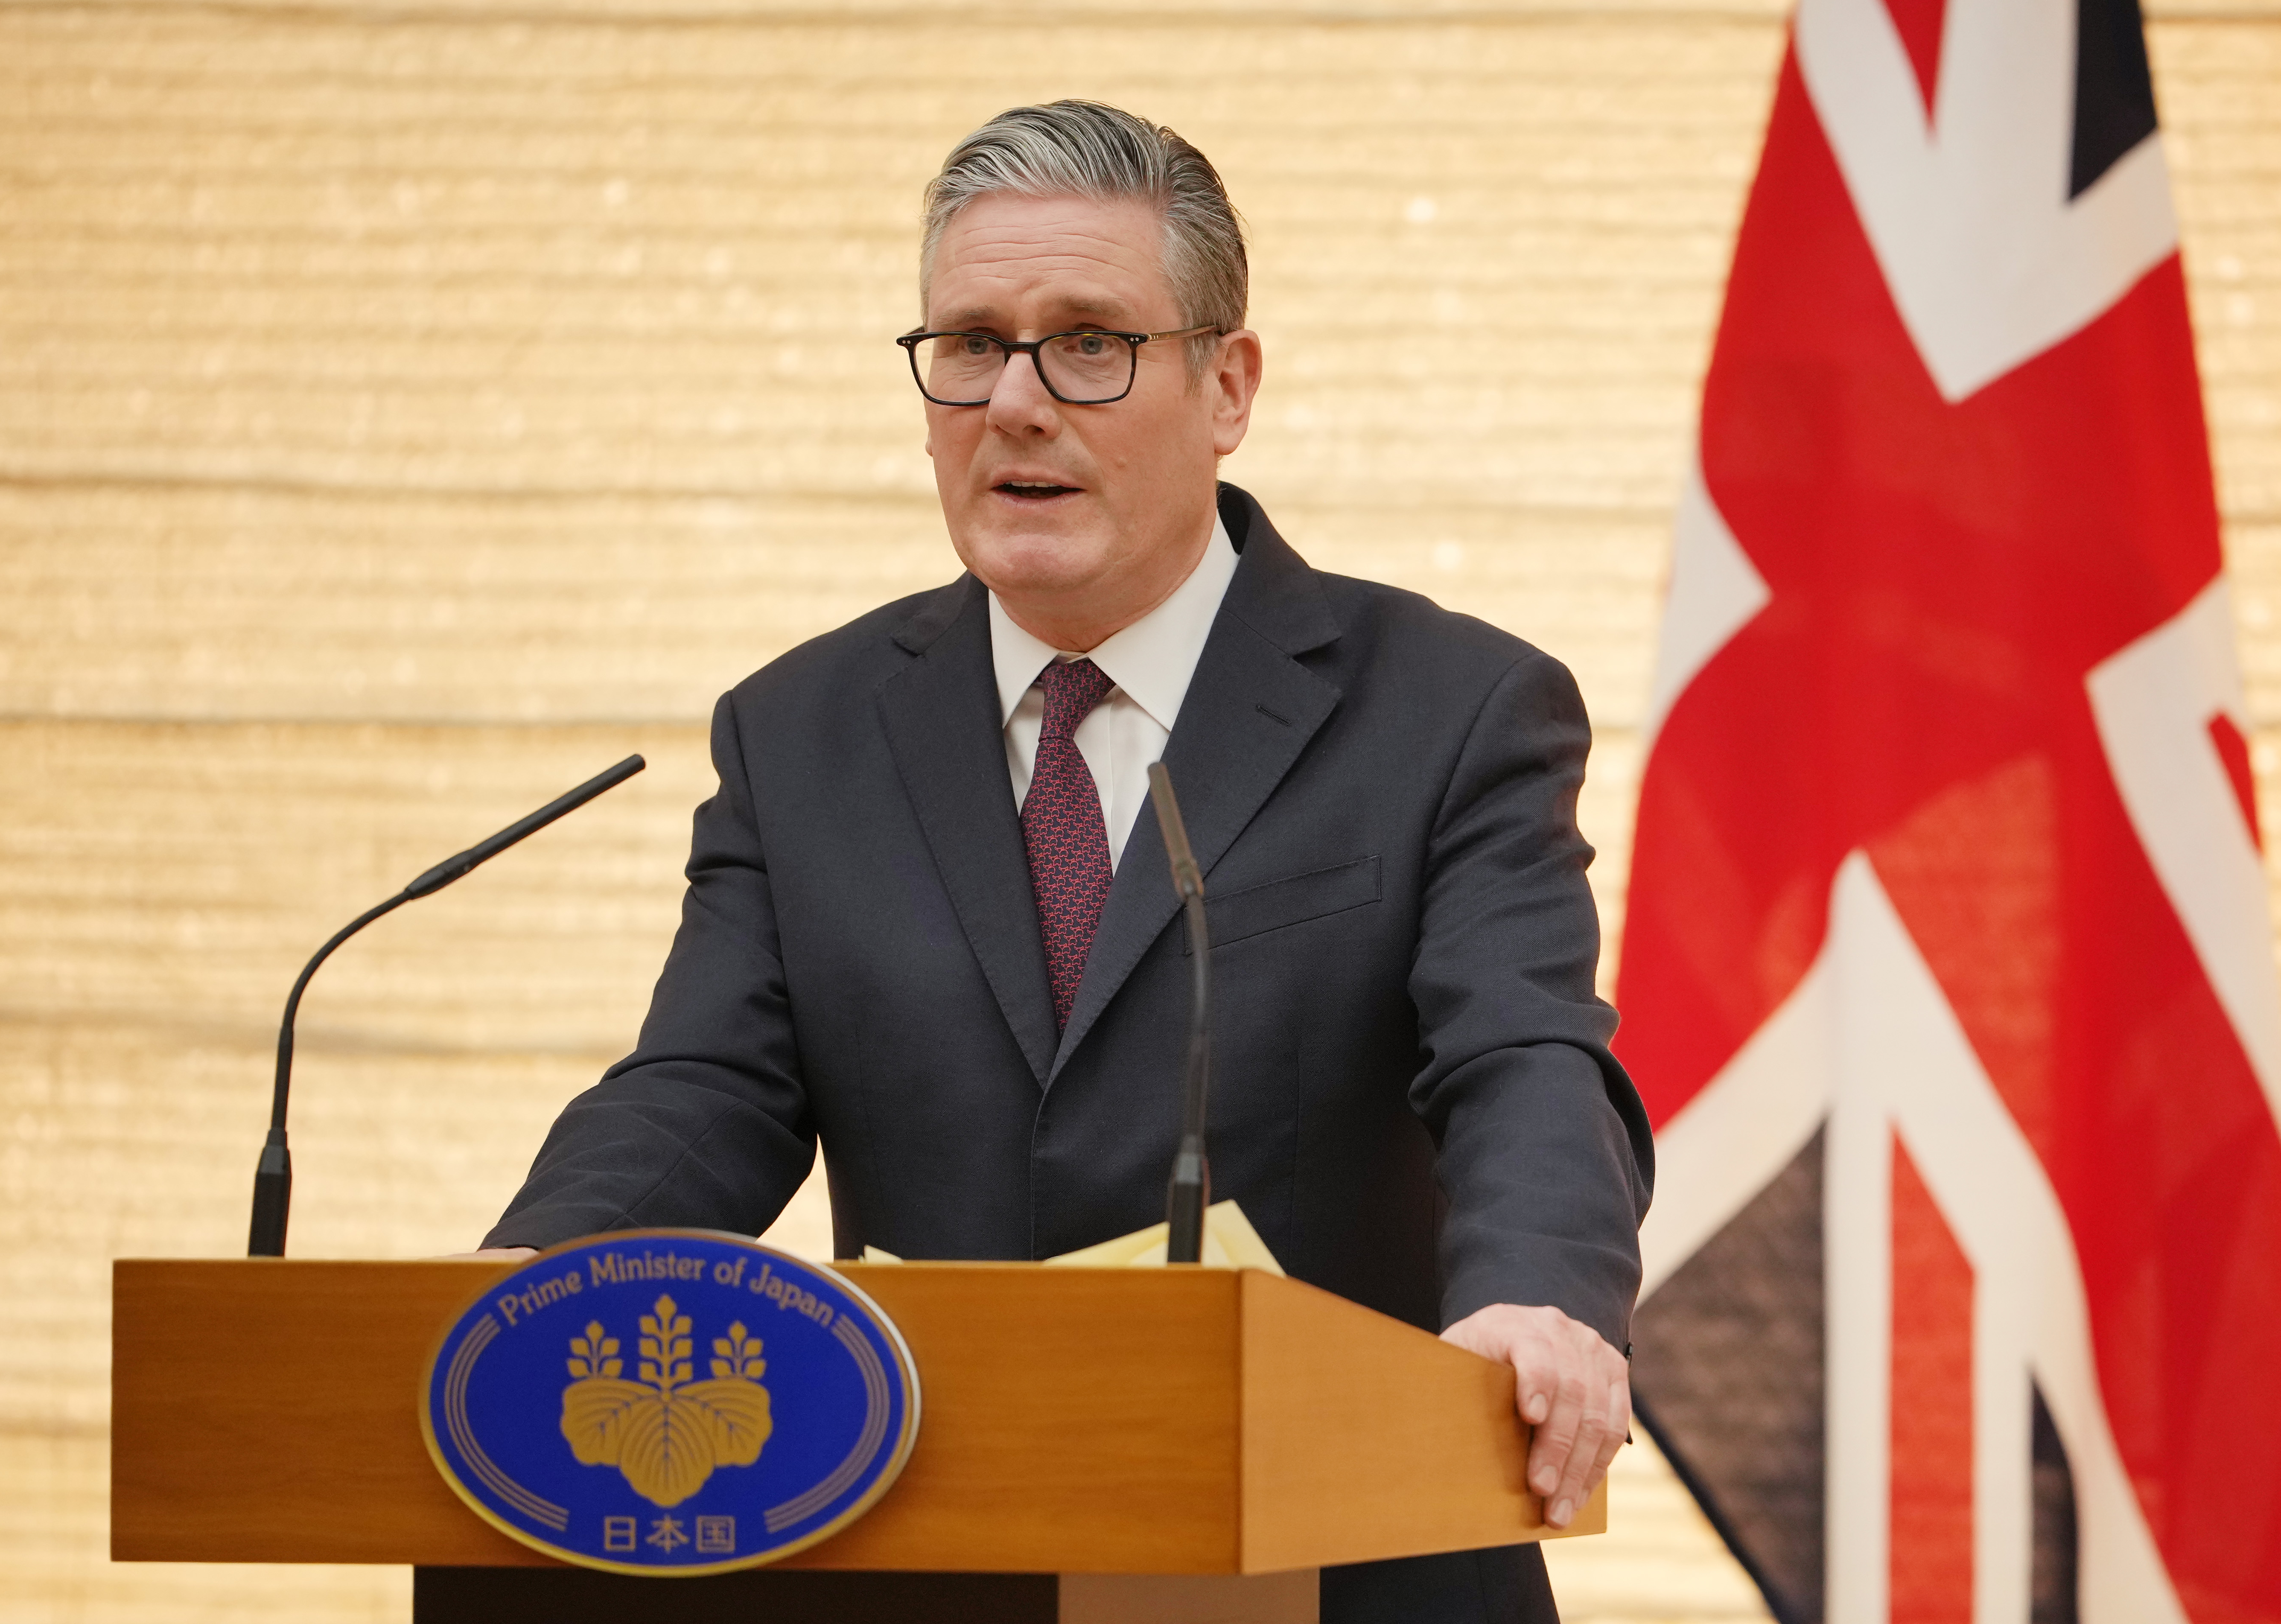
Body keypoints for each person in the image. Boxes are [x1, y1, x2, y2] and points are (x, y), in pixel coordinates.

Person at [480, 100, 1651, 1622]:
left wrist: (1537, 1298)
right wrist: (515, 1280)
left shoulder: (1449, 708)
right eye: (970, 345)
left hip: (1329, 1552)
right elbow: (709, 1086)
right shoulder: (803, 729)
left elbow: (1521, 1053)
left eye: (1088, 342)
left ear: (1226, 385)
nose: (1018, 404)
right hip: (918, 1550)